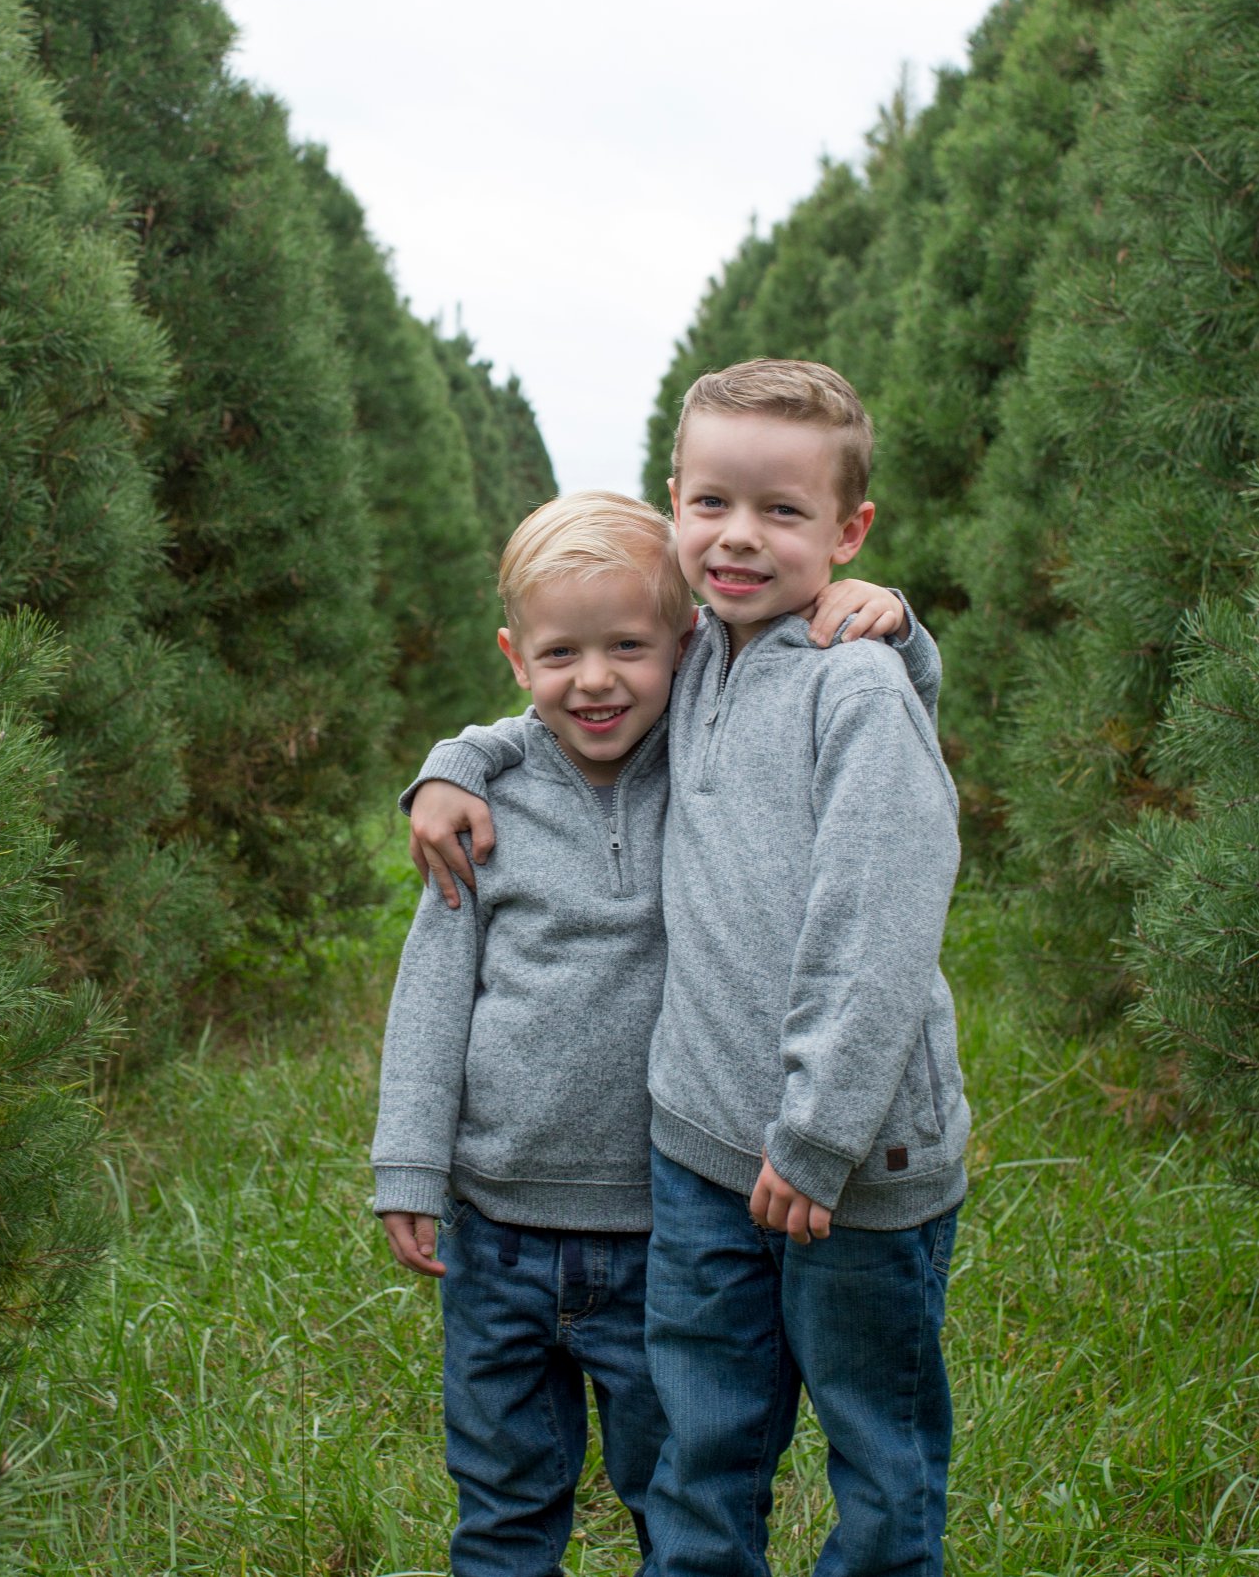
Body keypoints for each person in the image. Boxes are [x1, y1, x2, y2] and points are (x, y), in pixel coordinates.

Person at [407, 360, 965, 1577]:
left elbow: (877, 923)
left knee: (879, 1463)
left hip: (854, 1165)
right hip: (701, 1157)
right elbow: (569, 694)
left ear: (848, 529)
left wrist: (816, 1134)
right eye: (712, 503)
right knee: (700, 1466)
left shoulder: (855, 684)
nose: (740, 538)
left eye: (783, 511)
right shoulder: (699, 649)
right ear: (675, 506)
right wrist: (455, 758)